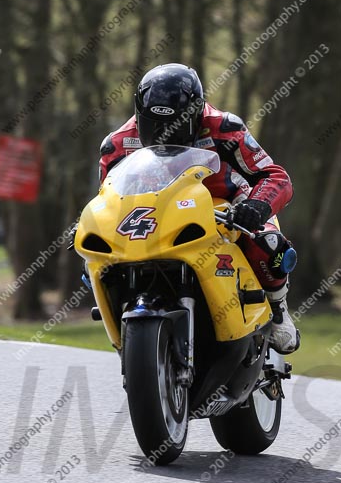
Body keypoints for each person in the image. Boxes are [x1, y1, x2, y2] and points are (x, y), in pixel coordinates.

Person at [99, 63, 300, 354]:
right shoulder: (116, 144)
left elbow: (275, 176)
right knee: (97, 257)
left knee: (268, 244)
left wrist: (257, 206)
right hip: (154, 213)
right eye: (154, 125)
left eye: (175, 125)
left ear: (196, 112)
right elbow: (106, 197)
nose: (164, 134)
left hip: (224, 206)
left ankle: (278, 308)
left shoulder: (225, 128)